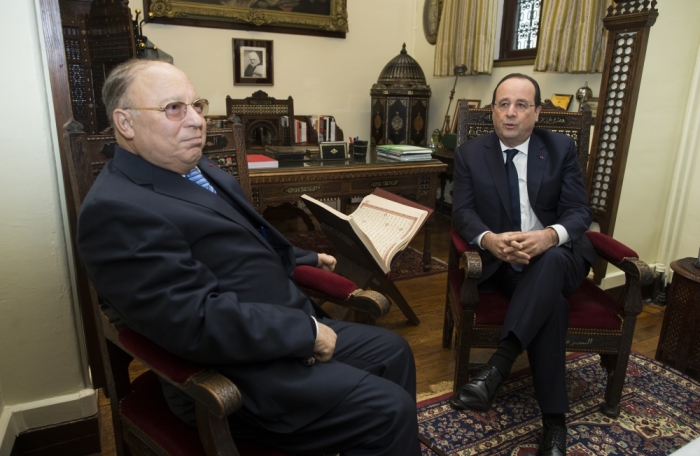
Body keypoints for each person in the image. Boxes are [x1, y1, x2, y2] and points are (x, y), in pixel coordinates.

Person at [77, 59, 420, 456]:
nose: (196, 120)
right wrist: (304, 334)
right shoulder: (116, 211)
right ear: (125, 123)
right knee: (389, 411)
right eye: (174, 108)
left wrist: (302, 258)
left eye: (197, 105)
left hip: (278, 325)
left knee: (394, 352)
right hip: (236, 372)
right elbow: (195, 321)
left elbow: (239, 238)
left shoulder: (194, 167)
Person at [450, 73, 597, 456]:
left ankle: (497, 368)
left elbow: (580, 212)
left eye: (521, 105)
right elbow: (462, 213)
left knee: (548, 263)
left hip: (561, 257)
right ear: (492, 110)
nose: (511, 114)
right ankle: (555, 424)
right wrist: (491, 242)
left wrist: (548, 237)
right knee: (553, 307)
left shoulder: (560, 148)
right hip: (508, 264)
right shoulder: (470, 154)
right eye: (503, 104)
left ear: (537, 112)